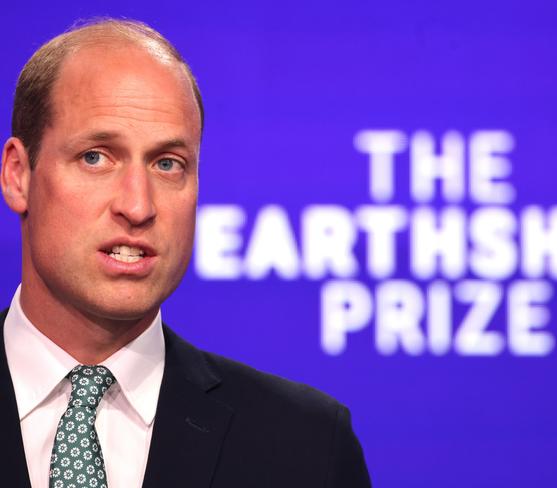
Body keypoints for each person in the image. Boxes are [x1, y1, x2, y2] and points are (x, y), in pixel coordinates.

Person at [0, 18, 371, 488]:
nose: (137, 206)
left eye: (168, 164)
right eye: (96, 156)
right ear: (19, 174)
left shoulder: (307, 446)